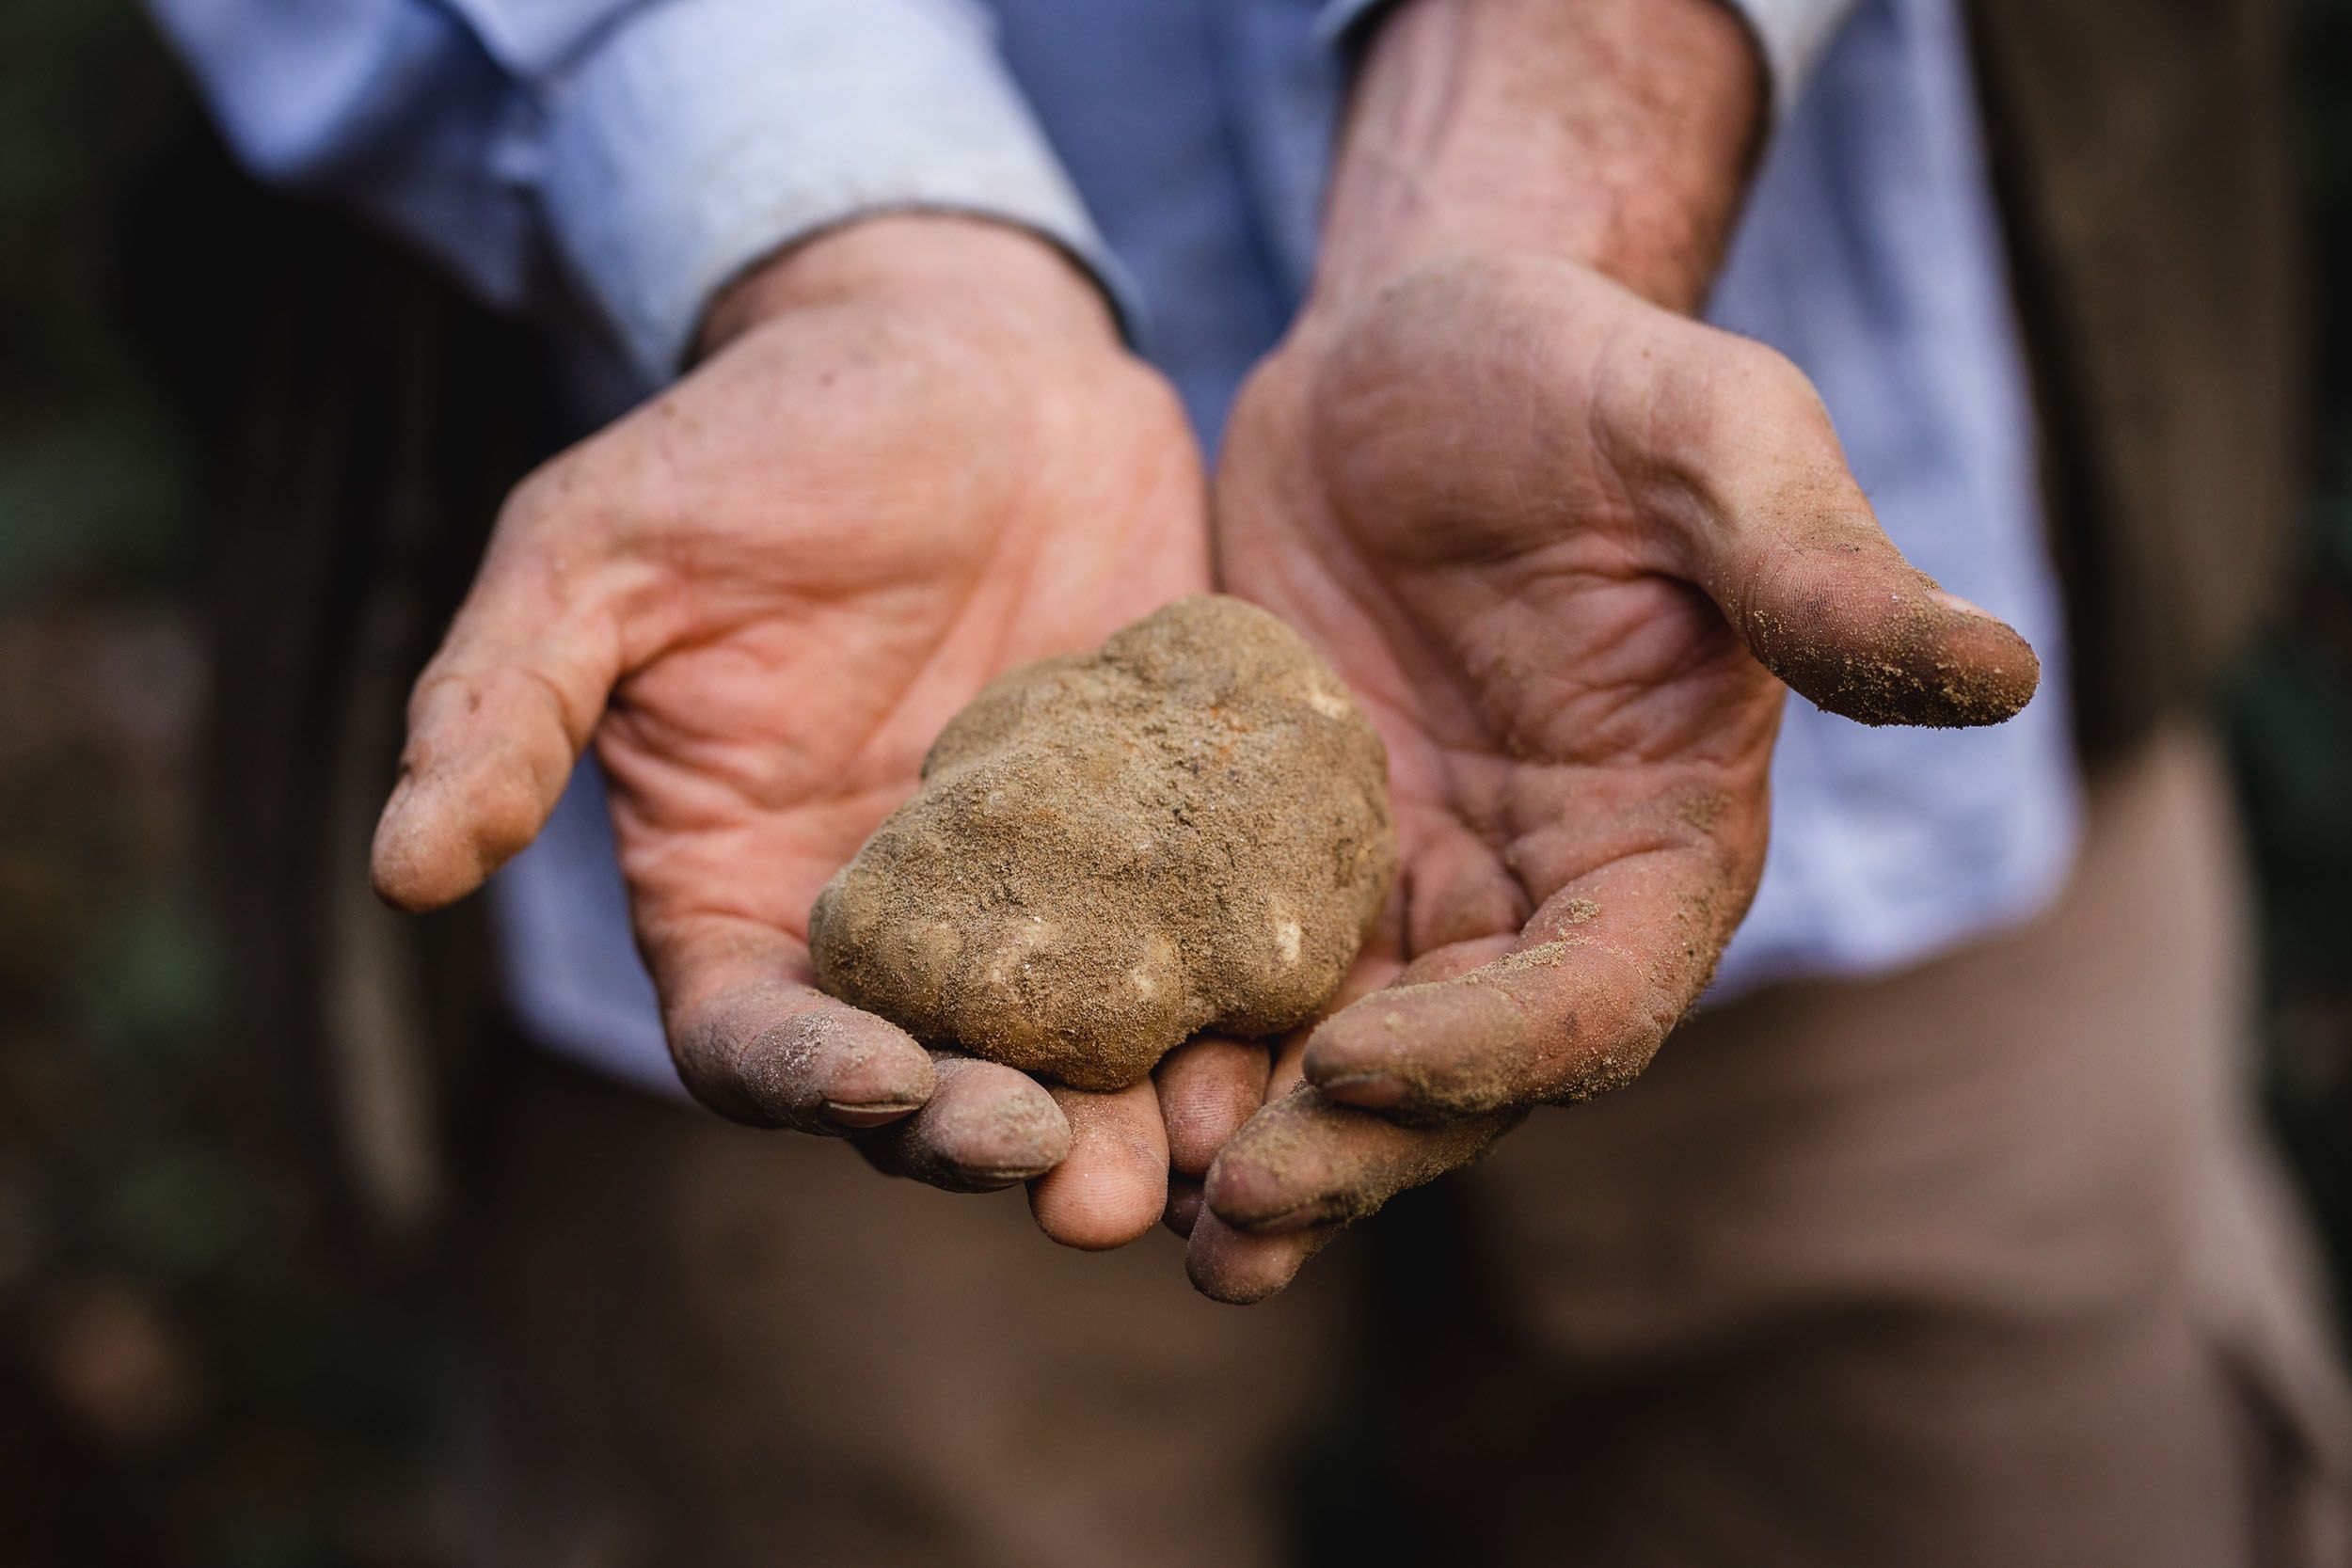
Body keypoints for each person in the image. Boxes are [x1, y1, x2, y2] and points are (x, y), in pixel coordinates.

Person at [149, 0, 2352, 1562]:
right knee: (856, 1469)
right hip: (755, 661)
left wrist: (1561, 113)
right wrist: (808, 211)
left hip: (1814, 645)